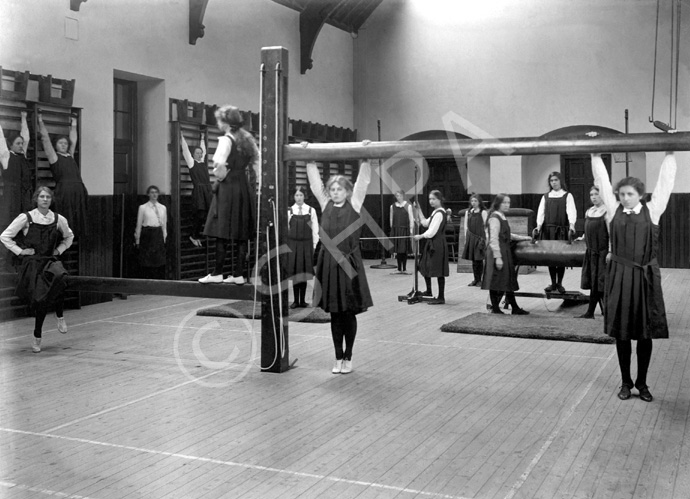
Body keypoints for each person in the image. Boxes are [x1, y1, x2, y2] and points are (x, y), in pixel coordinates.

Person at [592, 151, 676, 403]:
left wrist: (670, 152)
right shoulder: (612, 211)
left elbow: (666, 183)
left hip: (645, 278)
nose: (626, 198)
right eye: (622, 194)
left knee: (644, 333)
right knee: (623, 333)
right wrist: (595, 154)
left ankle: (642, 382)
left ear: (640, 195)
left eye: (631, 194)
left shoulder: (653, 210)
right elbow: (603, 181)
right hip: (619, 277)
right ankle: (626, 382)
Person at [307, 144, 372, 375]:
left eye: (339, 189)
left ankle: (349, 356)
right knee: (335, 313)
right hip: (329, 265)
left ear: (346, 191)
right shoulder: (325, 205)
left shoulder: (354, 204)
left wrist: (365, 157)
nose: (335, 192)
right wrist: (310, 159)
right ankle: (337, 357)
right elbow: (315, 185)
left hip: (349, 265)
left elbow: (363, 183)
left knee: (348, 312)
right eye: (332, 189)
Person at [1, 186, 74, 353]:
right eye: (42, 196)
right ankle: (37, 336)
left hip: (50, 260)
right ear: (36, 199)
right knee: (40, 300)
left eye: (48, 197)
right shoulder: (26, 218)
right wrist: (20, 251)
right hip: (33, 264)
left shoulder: (58, 219)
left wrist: (59, 250)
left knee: (61, 277)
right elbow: (5, 236)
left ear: (51, 200)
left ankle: (60, 315)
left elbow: (69, 236)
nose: (45, 199)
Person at [199, 105, 260, 285]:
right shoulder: (248, 139)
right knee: (241, 231)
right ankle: (239, 274)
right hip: (243, 187)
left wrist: (220, 176)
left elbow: (219, 164)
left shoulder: (226, 140)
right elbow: (257, 163)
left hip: (228, 187)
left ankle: (218, 273)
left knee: (221, 229)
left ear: (224, 122)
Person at [37, 113, 88, 235]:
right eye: (61, 143)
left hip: (78, 190)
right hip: (65, 191)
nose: (64, 145)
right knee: (65, 222)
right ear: (55, 145)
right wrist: (40, 120)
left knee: (77, 223)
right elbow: (45, 139)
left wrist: (74, 123)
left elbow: (73, 139)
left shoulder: (70, 155)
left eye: (65, 143)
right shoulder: (54, 157)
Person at [481, 194, 532, 314]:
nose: (507, 205)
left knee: (507, 280)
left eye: (508, 203)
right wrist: (498, 257)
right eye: (504, 202)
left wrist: (524, 238)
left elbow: (508, 235)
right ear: (498, 203)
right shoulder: (494, 218)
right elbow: (493, 239)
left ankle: (514, 307)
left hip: (504, 251)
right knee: (496, 280)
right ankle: (496, 308)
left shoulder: (501, 216)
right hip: (497, 252)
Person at [536, 171, 576, 293]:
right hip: (548, 230)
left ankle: (560, 283)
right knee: (551, 257)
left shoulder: (567, 196)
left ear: (560, 181)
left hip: (562, 230)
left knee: (561, 257)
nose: (554, 183)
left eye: (556, 180)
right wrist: (538, 226)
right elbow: (541, 213)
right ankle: (553, 283)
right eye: (552, 180)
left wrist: (572, 225)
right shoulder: (546, 197)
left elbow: (571, 211)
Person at [575, 186, 608, 319]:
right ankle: (591, 312)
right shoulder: (589, 211)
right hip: (591, 253)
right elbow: (588, 229)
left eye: (596, 194)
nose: (593, 197)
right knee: (594, 283)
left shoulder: (607, 212)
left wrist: (610, 252)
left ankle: (606, 312)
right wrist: (582, 237)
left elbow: (611, 235)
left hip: (603, 253)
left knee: (602, 283)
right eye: (591, 194)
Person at [413, 190, 449, 305]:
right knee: (423, 265)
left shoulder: (439, 213)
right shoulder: (435, 212)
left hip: (437, 243)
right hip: (433, 242)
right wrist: (418, 210)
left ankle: (441, 297)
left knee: (439, 270)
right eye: (430, 199)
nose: (431, 201)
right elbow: (425, 223)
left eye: (434, 199)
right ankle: (429, 291)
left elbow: (432, 232)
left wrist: (420, 236)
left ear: (440, 199)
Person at [286, 187, 319, 308]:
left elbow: (315, 229)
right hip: (293, 245)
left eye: (301, 195)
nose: (298, 198)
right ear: (293, 197)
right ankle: (295, 301)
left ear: (304, 196)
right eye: (296, 195)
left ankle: (303, 300)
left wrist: (314, 245)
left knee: (304, 273)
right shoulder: (289, 211)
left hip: (306, 245)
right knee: (295, 273)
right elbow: (285, 229)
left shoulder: (311, 211)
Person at [180, 131, 212, 247]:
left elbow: (203, 149)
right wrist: (182, 137)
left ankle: (196, 235)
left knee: (206, 215)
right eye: (197, 153)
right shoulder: (191, 163)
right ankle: (193, 236)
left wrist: (202, 138)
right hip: (199, 193)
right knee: (200, 215)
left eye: (200, 153)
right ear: (193, 155)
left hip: (207, 192)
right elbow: (186, 150)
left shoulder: (203, 162)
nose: (199, 154)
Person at [0, 111, 34, 221]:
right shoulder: (6, 156)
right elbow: (0, 139)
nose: (21, 146)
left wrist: (24, 118)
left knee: (24, 220)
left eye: (21, 144)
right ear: (10, 145)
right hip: (11, 195)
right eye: (17, 144)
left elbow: (26, 137)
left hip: (24, 194)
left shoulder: (22, 155)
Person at [135, 185, 167, 279]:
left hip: (158, 234)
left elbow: (164, 224)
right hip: (147, 234)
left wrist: (164, 237)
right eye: (152, 192)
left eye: (156, 192)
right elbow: (139, 224)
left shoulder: (162, 208)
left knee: (158, 260)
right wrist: (138, 240)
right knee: (147, 260)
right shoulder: (143, 208)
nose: (154, 194)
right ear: (148, 194)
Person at [462, 193, 488, 286]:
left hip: (479, 238)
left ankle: (480, 280)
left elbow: (486, 226)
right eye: (472, 201)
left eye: (475, 201)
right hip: (471, 238)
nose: (473, 203)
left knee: (479, 259)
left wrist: (486, 239)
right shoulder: (468, 212)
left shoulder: (483, 212)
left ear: (479, 202)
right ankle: (475, 279)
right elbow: (466, 226)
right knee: (473, 260)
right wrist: (466, 239)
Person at [389, 190, 414, 274]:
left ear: (403, 196)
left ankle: (405, 268)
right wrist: (392, 228)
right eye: (396, 196)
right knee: (398, 249)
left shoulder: (408, 206)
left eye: (399, 196)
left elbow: (411, 218)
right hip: (396, 230)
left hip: (404, 230)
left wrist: (410, 230)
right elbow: (391, 218)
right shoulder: (392, 206)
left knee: (404, 249)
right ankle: (399, 268)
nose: (398, 197)